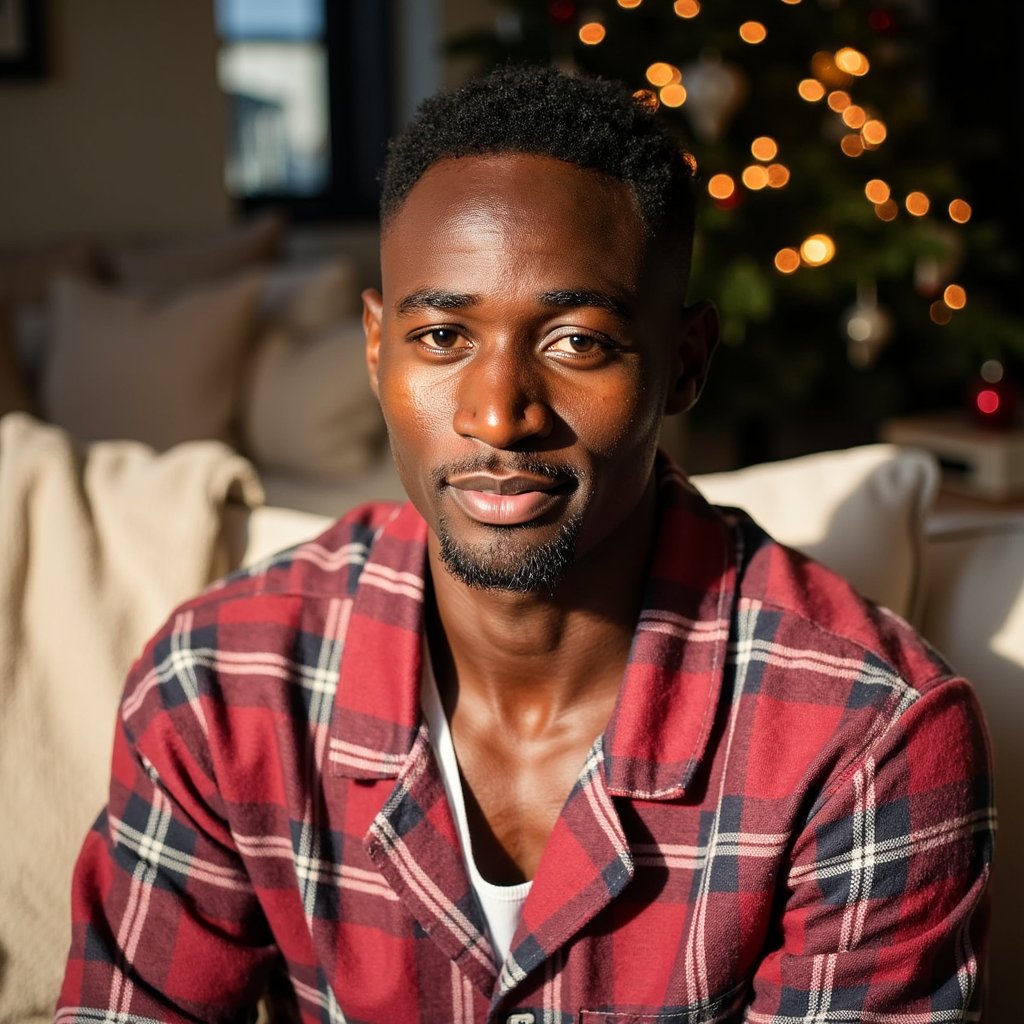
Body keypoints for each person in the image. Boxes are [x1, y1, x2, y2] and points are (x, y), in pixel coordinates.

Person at [58, 65, 993, 1023]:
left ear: (686, 363)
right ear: (377, 350)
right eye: (442, 337)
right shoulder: (220, 683)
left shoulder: (869, 743)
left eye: (576, 341)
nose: (499, 415)